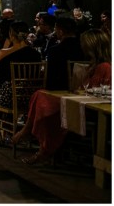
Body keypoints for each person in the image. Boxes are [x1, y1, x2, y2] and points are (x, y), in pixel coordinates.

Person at [12, 28, 111, 164]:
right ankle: (33, 138)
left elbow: (103, 93)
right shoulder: (94, 65)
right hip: (81, 103)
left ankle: (37, 143)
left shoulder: (105, 67)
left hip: (89, 109)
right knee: (39, 95)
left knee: (43, 100)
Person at [0, 21, 42, 109]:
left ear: (11, 35)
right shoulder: (36, 54)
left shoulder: (4, 52)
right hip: (32, 97)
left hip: (9, 97)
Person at [44, 16, 86, 91]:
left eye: (55, 29)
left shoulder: (55, 50)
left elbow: (50, 79)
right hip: (83, 88)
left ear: (60, 32)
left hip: (60, 89)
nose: (54, 32)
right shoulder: (84, 48)